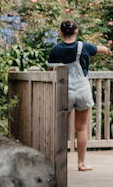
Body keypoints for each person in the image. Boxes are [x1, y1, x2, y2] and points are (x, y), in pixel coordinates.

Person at [47, 19, 111, 172]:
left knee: (61, 128)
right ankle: (81, 164)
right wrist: (105, 50)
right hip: (82, 90)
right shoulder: (84, 47)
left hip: (65, 91)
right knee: (81, 128)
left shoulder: (56, 49)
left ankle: (58, 164)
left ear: (61, 32)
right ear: (76, 31)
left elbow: (50, 70)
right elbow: (103, 49)